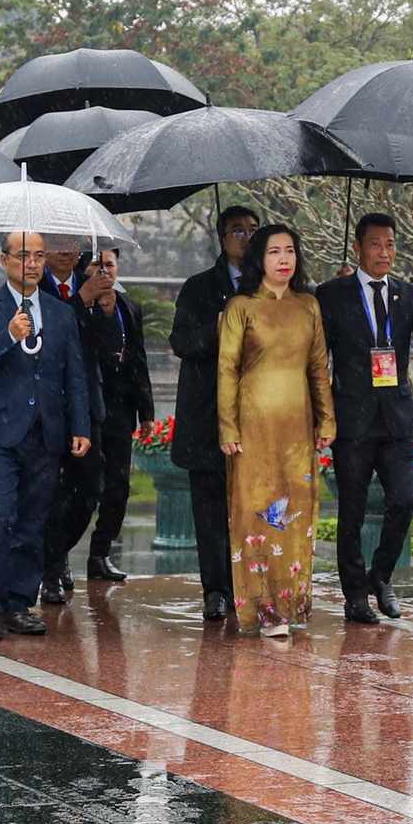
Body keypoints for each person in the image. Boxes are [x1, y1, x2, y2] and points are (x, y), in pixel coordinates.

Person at [315, 213, 413, 623]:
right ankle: (355, 595)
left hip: (396, 420)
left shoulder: (407, 295)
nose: (384, 252)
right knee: (351, 512)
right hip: (352, 421)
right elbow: (316, 353)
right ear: (358, 248)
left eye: (390, 244)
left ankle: (380, 576)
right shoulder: (331, 293)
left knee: (404, 500)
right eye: (375, 244)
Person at [0, 231, 91, 641]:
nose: (32, 263)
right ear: (4, 261)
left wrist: (81, 426)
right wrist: (9, 336)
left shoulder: (60, 313)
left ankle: (19, 603)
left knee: (33, 523)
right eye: (23, 256)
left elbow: (75, 373)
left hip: (46, 432)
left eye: (38, 256)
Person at [218, 224, 334, 639]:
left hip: (298, 427)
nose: (284, 259)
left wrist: (327, 419)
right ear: (258, 260)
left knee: (296, 513)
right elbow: (227, 370)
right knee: (257, 515)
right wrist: (228, 426)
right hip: (253, 428)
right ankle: (264, 609)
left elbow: (319, 368)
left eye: (290, 251)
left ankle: (292, 604)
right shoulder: (241, 307)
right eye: (274, 252)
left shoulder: (309, 306)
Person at [170, 206, 260, 621]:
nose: (245, 238)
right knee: (209, 510)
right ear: (221, 238)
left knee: (254, 508)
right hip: (207, 417)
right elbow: (181, 342)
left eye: (252, 231)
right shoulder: (200, 287)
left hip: (258, 417)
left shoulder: (270, 288)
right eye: (237, 231)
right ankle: (217, 590)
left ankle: (254, 585)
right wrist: (218, 328)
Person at [38, 236, 117, 603]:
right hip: (48, 404)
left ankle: (52, 552)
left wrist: (104, 311)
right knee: (51, 493)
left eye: (72, 241)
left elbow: (111, 348)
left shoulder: (92, 285)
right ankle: (51, 572)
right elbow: (47, 336)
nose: (66, 249)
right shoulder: (32, 287)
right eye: (55, 242)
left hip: (86, 403)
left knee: (89, 491)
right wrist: (80, 300)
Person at [85, 247, 156, 583]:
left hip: (120, 408)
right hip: (86, 407)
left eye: (109, 265)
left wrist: (146, 412)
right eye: (97, 264)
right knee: (83, 487)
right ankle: (55, 559)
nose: (103, 270)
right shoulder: (77, 305)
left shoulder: (130, 307)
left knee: (119, 486)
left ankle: (100, 553)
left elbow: (138, 359)